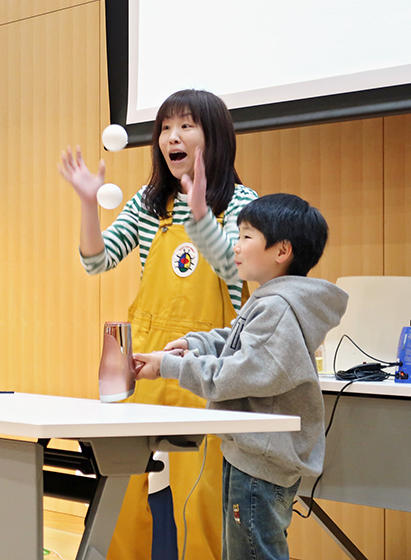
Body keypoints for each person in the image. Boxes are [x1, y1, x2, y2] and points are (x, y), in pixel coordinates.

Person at [58, 89, 258, 560]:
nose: (173, 137)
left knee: (202, 493)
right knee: (125, 484)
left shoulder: (244, 204)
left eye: (186, 126)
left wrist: (201, 215)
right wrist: (87, 205)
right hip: (144, 362)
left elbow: (234, 268)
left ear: (215, 137)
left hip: (207, 365)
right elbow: (97, 261)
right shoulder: (150, 203)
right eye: (166, 128)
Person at [132, 193, 349, 560]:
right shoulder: (269, 300)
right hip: (250, 453)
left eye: (247, 236)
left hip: (261, 462)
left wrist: (169, 366)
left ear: (282, 251)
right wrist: (195, 343)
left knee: (252, 553)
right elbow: (236, 339)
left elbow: (235, 374)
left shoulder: (278, 308)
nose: (236, 245)